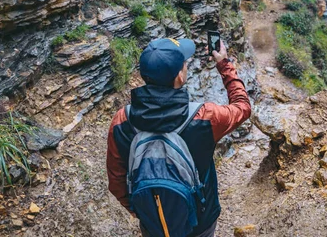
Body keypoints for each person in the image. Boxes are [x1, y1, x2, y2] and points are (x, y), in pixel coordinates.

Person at [106, 37, 251, 236]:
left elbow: (116, 181)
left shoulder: (122, 121)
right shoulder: (206, 117)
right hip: (201, 220)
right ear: (179, 77)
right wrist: (224, 64)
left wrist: (141, 210)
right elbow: (242, 107)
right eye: (184, 63)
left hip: (154, 224)